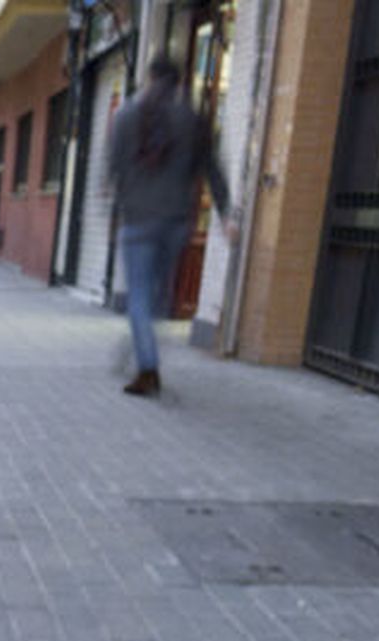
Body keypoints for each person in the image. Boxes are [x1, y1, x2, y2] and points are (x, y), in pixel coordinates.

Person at [108, 56, 238, 396]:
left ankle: (147, 366)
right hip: (176, 222)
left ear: (149, 77)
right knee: (155, 295)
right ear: (179, 82)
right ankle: (139, 344)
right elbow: (213, 169)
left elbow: (113, 169)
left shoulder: (125, 117)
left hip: (137, 219)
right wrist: (225, 214)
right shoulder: (193, 120)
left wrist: (114, 206)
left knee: (138, 295)